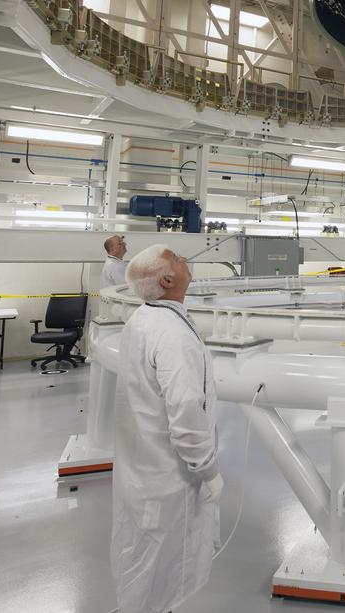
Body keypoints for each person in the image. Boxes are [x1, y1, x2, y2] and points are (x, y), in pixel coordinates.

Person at [111, 245, 222, 613]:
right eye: (177, 258)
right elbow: (187, 415)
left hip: (142, 471)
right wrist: (208, 469)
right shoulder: (172, 335)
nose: (185, 259)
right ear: (167, 279)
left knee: (145, 565)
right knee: (160, 571)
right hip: (167, 479)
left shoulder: (143, 321)